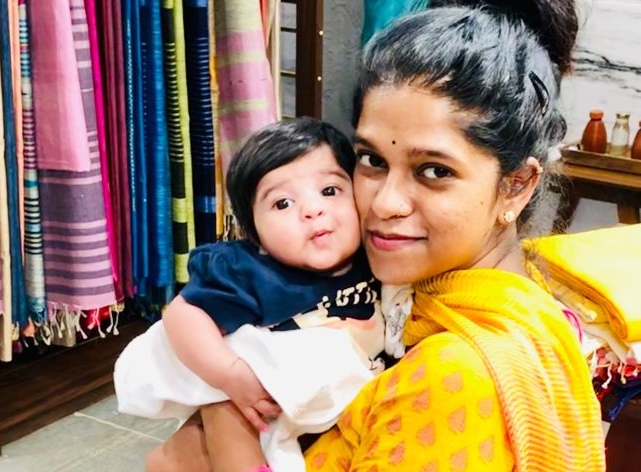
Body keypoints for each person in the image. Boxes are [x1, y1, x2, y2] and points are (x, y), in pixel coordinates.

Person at [144, 0, 607, 470]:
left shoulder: (452, 373)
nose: (384, 203)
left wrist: (215, 429)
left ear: (516, 186)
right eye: (371, 160)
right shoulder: (418, 295)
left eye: (434, 170)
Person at [114, 117, 410, 471]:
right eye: (283, 203)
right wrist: (230, 374)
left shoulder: (373, 255)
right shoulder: (249, 272)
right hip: (254, 406)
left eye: (329, 191)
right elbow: (182, 315)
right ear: (255, 234)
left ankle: (175, 458)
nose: (312, 210)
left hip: (323, 402)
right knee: (226, 406)